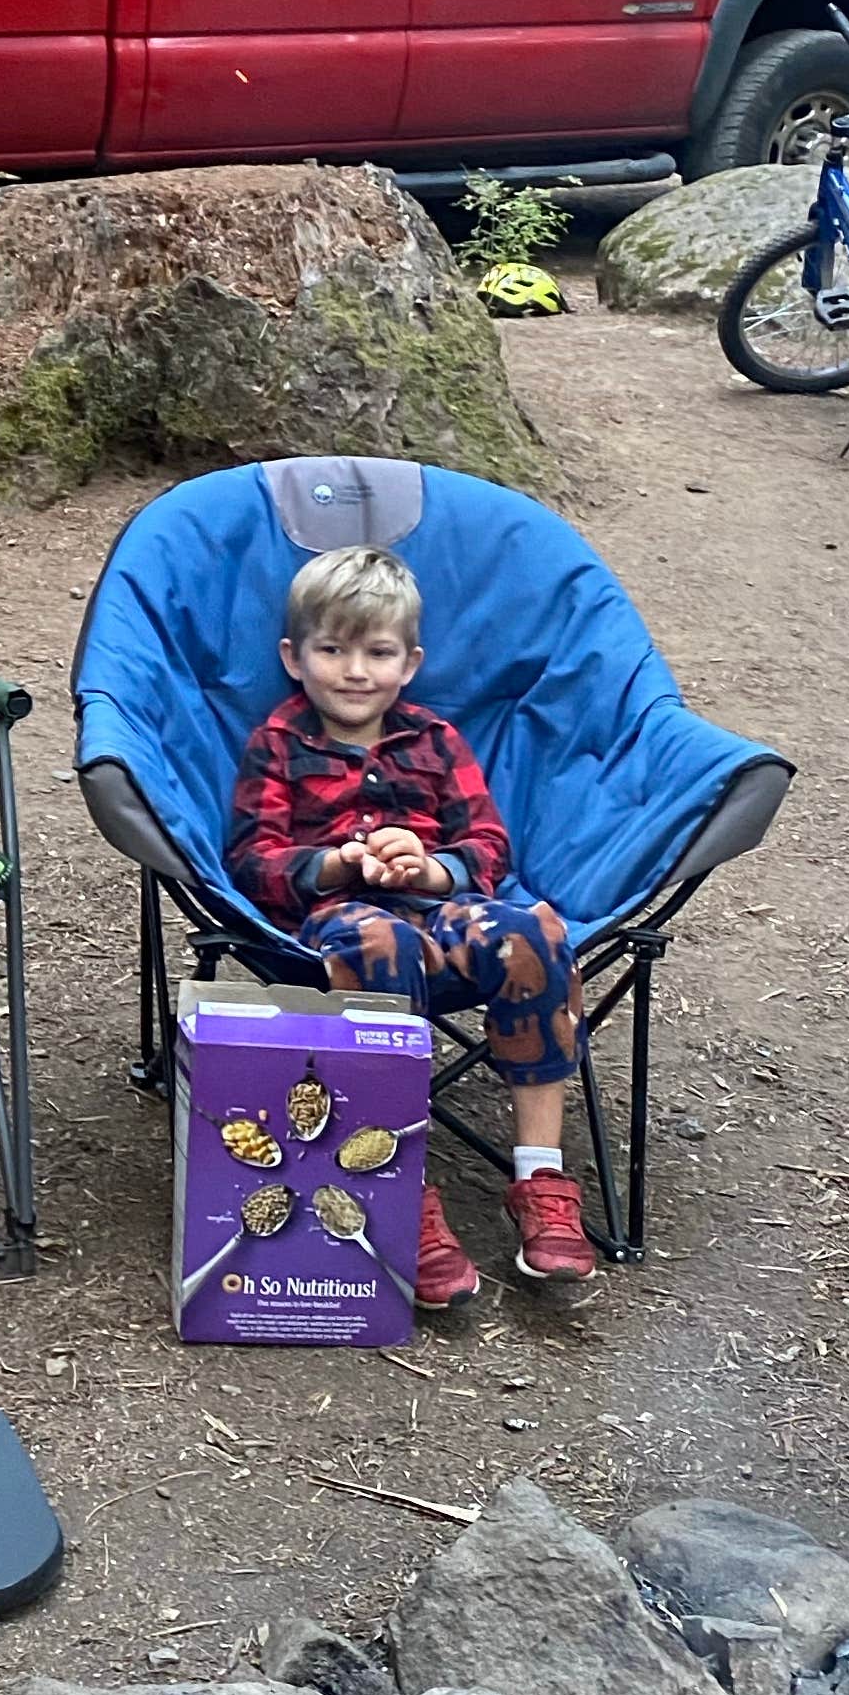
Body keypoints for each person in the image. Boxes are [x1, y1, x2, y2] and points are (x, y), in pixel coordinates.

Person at [226, 542, 597, 1302]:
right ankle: (396, 1185)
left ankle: (541, 1177)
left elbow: (487, 846)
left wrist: (426, 866)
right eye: (332, 649)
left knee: (532, 931)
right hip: (341, 917)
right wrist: (339, 862)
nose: (355, 670)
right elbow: (254, 860)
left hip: (443, 905)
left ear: (411, 662)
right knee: (378, 938)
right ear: (294, 659)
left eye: (378, 652)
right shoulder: (279, 743)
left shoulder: (434, 741)